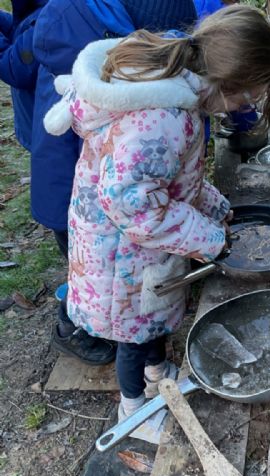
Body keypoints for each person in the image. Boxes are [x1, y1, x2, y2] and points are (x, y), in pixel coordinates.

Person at [44, 4, 270, 443]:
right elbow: (133, 207)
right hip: (121, 255)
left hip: (136, 246)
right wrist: (210, 238)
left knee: (150, 319)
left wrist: (212, 204)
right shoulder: (163, 120)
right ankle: (132, 410)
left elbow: (168, 182)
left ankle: (157, 369)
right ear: (225, 83)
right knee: (132, 333)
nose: (244, 108)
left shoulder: (181, 92)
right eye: (246, 98)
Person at [31, 0, 198, 366]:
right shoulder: (123, 85)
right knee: (96, 286)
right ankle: (72, 331)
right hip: (78, 195)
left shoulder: (119, 60)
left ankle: (111, 334)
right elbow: (126, 188)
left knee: (101, 285)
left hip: (88, 196)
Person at [0, 0, 47, 151]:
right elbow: (20, 31)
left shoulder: (51, 15)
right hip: (38, 125)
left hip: (48, 135)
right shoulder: (38, 7)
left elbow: (15, 68)